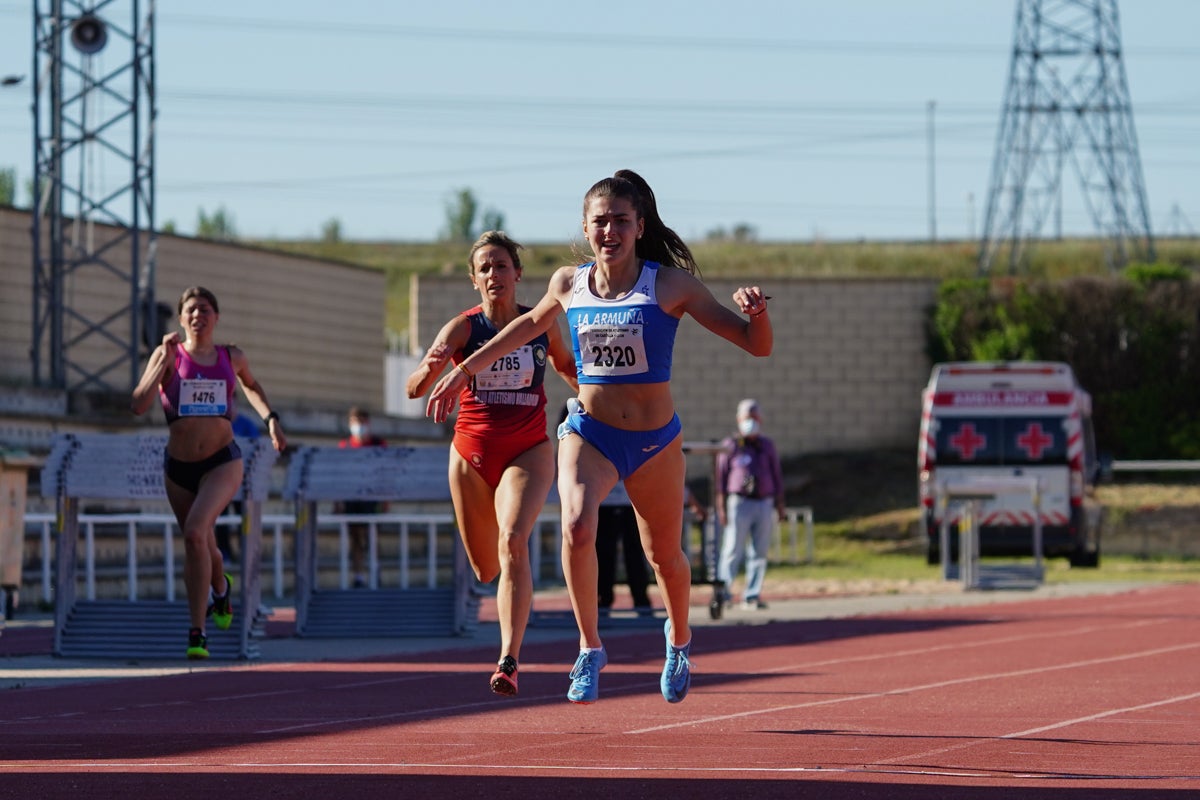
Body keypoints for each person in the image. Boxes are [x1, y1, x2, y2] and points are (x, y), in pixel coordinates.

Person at [427, 169, 773, 704]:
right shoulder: (569, 283)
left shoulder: (669, 284)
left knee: (665, 558)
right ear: (585, 229)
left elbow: (755, 345)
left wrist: (759, 314)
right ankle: (589, 649)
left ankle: (679, 639)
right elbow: (526, 327)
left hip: (655, 442)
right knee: (575, 526)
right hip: (590, 433)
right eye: (600, 222)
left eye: (620, 221)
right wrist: (466, 369)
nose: (609, 231)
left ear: (638, 227)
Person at [406, 230, 578, 697]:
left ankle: (509, 659)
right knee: (485, 568)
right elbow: (415, 387)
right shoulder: (462, 328)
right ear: (473, 280)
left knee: (513, 541)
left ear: (518, 274)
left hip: (528, 448)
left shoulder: (538, 323)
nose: (494, 275)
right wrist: (430, 370)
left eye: (502, 266)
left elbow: (565, 366)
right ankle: (502, 602)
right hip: (471, 455)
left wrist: (597, 398)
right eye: (485, 268)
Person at [131, 286, 287, 659]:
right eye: (190, 310)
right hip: (178, 467)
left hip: (221, 461)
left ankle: (197, 632)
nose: (198, 315)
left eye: (204, 309)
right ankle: (221, 589)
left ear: (216, 317)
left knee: (196, 532)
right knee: (198, 542)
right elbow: (139, 405)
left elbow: (252, 386)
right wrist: (160, 360)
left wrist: (271, 419)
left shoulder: (231, 356)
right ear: (181, 319)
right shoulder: (168, 355)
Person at [715, 398, 787, 611]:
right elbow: (720, 479)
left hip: (764, 502)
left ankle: (752, 594)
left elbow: (777, 475)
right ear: (739, 420)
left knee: (759, 551)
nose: (751, 422)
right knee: (732, 549)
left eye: (754, 417)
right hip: (739, 502)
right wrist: (721, 507)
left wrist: (780, 503)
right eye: (747, 418)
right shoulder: (730, 446)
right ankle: (724, 592)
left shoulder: (766, 446)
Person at [336, 406, 386, 588]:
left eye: (362, 422)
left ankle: (376, 570)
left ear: (368, 423)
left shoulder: (378, 444)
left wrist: (385, 500)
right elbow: (340, 477)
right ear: (350, 424)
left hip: (373, 498)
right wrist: (338, 502)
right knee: (355, 537)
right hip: (352, 498)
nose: (359, 426)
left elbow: (385, 473)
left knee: (373, 537)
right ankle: (358, 576)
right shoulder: (345, 446)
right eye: (356, 422)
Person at [596, 480, 651, 614]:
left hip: (632, 502)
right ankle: (603, 599)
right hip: (604, 501)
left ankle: (641, 600)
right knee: (604, 554)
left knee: (635, 553)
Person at [215, 412, 262, 564]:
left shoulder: (246, 424)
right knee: (222, 519)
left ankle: (247, 553)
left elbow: (257, 447)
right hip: (220, 481)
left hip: (243, 482)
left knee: (245, 518)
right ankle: (225, 553)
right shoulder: (217, 422)